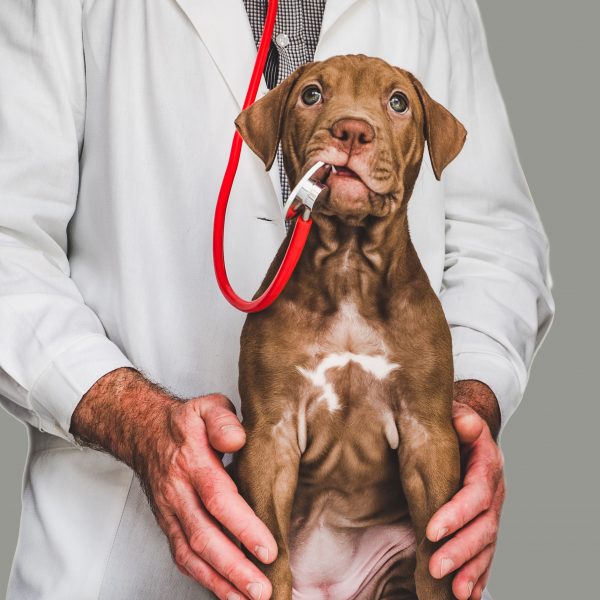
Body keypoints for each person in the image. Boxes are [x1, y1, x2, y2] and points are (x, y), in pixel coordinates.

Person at [0, 1, 554, 599]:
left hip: (392, 567)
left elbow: (497, 241)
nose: (352, 127)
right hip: (115, 555)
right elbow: (9, 245)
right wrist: (134, 421)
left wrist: (466, 408)